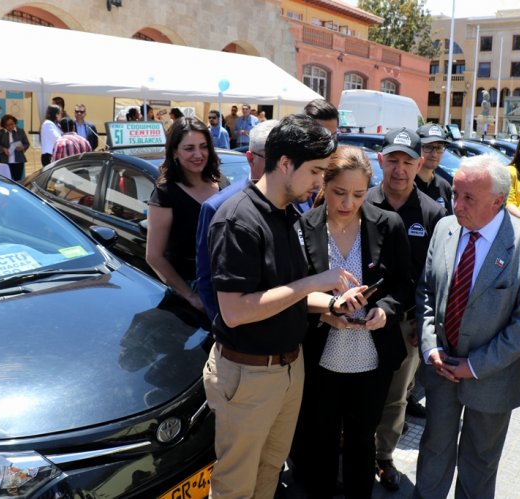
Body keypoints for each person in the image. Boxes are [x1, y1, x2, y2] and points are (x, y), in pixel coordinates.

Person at [203, 114, 367, 498]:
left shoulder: (287, 214)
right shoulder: (238, 220)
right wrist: (313, 283)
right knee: (235, 486)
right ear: (285, 164)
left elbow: (286, 294)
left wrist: (331, 304)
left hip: (287, 370)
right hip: (248, 374)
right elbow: (235, 311)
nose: (320, 183)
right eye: (315, 172)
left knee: (269, 473)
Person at [415, 154, 520, 498]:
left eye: (468, 198)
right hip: (441, 370)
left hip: (493, 380)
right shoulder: (445, 228)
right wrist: (431, 347)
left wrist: (475, 366)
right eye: (456, 195)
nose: (457, 205)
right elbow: (428, 293)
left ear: (497, 202)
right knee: (433, 454)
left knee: (479, 466)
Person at [295, 146, 410, 497]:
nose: (347, 203)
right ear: (323, 185)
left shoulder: (387, 224)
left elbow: (404, 284)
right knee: (321, 441)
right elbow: (292, 292)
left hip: (371, 357)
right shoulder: (304, 227)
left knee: (363, 442)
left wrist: (384, 311)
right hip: (321, 358)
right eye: (339, 193)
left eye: (358, 195)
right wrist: (328, 313)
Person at [368, 127, 447, 491]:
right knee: (357, 387)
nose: (399, 170)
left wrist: (422, 322)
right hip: (359, 319)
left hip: (406, 322)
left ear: (418, 165)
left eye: (407, 162)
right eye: (393, 161)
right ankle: (352, 448)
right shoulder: (360, 200)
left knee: (396, 395)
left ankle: (384, 455)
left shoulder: (432, 212)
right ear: (381, 161)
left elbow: (434, 275)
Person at [196, 119, 279, 322]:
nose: (279, 169)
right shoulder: (218, 207)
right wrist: (224, 328)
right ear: (250, 159)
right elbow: (207, 280)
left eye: (285, 161)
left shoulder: (296, 202)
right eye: (271, 160)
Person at [146, 117, 227, 314]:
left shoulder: (221, 181)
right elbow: (154, 256)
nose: (198, 154)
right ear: (175, 151)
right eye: (189, 148)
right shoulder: (166, 193)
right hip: (189, 296)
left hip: (225, 287)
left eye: (203, 146)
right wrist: (192, 297)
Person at [416, 123, 454, 215]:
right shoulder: (406, 185)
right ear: (417, 148)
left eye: (439, 148)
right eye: (428, 147)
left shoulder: (444, 186)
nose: (434, 154)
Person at [0, 114, 30, 181]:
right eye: (7, 125)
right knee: (5, 181)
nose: (10, 126)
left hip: (18, 161)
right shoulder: (0, 133)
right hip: (5, 161)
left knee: (17, 181)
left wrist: (22, 147)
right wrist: (3, 149)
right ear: (4, 126)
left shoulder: (20, 131)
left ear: (15, 123)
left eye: (12, 124)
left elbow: (26, 143)